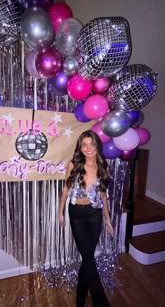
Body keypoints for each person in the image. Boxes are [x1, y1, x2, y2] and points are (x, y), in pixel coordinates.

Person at [59, 130, 114, 307]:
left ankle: (81, 294)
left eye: (92, 144)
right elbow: (65, 190)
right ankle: (100, 300)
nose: (88, 148)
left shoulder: (104, 166)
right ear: (80, 147)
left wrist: (107, 219)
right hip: (76, 214)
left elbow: (104, 195)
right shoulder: (73, 164)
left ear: (97, 145)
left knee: (88, 257)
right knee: (88, 257)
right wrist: (60, 213)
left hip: (95, 214)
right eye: (84, 144)